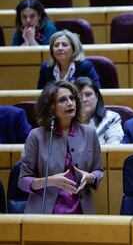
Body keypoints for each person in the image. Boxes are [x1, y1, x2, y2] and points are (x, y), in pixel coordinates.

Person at [18, 81, 103, 214]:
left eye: (72, 98)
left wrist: (90, 176)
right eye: (62, 100)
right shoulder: (36, 136)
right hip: (45, 212)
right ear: (51, 107)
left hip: (81, 211)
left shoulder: (90, 133)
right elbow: (23, 181)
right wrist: (50, 181)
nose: (70, 103)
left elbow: (99, 171)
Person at [37, 30, 101, 89]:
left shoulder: (85, 67)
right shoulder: (46, 68)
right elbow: (40, 95)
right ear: (52, 50)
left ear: (74, 48)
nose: (60, 48)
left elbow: (95, 92)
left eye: (64, 45)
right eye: (56, 45)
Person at [74, 77, 124, 144]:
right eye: (79, 96)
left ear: (97, 96)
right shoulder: (66, 121)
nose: (84, 99)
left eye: (88, 95)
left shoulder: (111, 119)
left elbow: (114, 149)